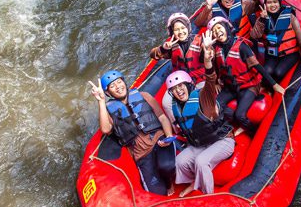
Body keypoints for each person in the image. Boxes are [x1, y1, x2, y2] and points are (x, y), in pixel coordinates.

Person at [89, 70, 176, 196]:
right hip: (141, 154)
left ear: (124, 82)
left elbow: (162, 117)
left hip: (159, 140)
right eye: (112, 86)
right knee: (156, 192)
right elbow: (106, 129)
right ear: (108, 92)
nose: (118, 87)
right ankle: (163, 187)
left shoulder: (143, 95)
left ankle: (169, 183)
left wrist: (168, 136)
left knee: (166, 166)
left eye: (119, 82)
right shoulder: (109, 110)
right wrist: (101, 101)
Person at [171, 54, 236, 196]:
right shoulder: (178, 107)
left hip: (222, 140)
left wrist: (207, 61)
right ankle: (193, 182)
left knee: (201, 161)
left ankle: (208, 196)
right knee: (180, 161)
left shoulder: (203, 97)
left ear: (188, 85)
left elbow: (210, 80)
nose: (178, 90)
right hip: (201, 144)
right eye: (174, 89)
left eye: (181, 85)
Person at [209, 16, 271, 135]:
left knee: (240, 115)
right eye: (214, 31)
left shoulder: (241, 46)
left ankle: (255, 133)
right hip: (231, 86)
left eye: (219, 28)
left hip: (249, 85)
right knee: (215, 107)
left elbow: (258, 67)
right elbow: (216, 68)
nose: (217, 32)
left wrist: (274, 85)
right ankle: (228, 131)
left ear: (226, 27)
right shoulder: (216, 49)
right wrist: (216, 82)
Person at [250, 0, 301, 91]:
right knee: (267, 71)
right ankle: (266, 89)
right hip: (272, 53)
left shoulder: (290, 16)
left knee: (278, 72)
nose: (273, 5)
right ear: (264, 4)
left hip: (290, 53)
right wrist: (262, 20)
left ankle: (272, 90)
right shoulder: (262, 17)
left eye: (275, 2)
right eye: (269, 2)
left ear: (279, 2)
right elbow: (254, 36)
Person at [149, 12, 204, 83]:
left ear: (187, 28)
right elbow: (153, 55)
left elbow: (209, 58)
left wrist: (207, 48)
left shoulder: (200, 41)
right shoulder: (170, 45)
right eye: (176, 29)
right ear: (172, 32)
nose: (180, 32)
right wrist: (163, 49)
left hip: (199, 79)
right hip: (180, 80)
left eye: (183, 28)